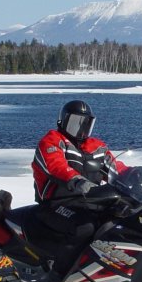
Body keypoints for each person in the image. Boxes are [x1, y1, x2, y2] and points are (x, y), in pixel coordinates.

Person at [28, 99, 119, 252]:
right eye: (75, 122)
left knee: (119, 220)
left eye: (85, 123)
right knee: (85, 227)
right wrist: (76, 180)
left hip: (90, 202)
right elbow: (56, 166)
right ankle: (60, 272)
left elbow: (116, 169)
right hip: (56, 204)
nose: (80, 128)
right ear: (63, 121)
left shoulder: (97, 146)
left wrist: (140, 174)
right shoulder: (52, 141)